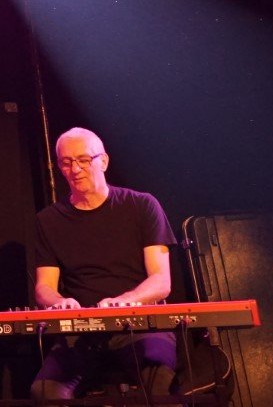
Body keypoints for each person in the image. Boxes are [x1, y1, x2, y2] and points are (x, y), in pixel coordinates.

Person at [30, 127, 176, 402]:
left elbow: (161, 281)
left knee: (157, 378)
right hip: (82, 332)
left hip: (139, 325)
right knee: (45, 391)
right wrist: (59, 302)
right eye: (66, 162)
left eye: (84, 160)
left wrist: (125, 301)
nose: (75, 169)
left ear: (104, 161)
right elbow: (44, 288)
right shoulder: (48, 220)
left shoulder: (142, 206)